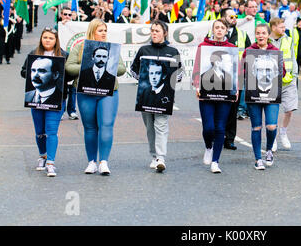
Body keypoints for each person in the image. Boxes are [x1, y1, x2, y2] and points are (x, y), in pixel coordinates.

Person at [66, 19, 126, 175]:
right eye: (100, 30)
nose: (104, 33)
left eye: (105, 30)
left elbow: (121, 69)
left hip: (107, 92)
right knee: (90, 127)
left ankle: (103, 162)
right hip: (86, 92)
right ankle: (91, 161)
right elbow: (69, 67)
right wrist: (86, 65)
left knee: (106, 124)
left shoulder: (111, 49)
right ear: (92, 31)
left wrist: (108, 66)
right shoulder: (80, 47)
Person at [131, 20, 183, 172]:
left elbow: (179, 72)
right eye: (152, 30)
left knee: (161, 125)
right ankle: (154, 155)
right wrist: (142, 80)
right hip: (145, 96)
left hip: (164, 97)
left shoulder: (173, 51)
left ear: (164, 33)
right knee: (150, 127)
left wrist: (174, 79)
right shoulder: (143, 50)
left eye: (157, 31)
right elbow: (134, 69)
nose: (154, 33)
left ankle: (161, 157)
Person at [20, 27, 73, 177]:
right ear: (41, 39)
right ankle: (42, 156)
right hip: (35, 101)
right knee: (39, 132)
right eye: (45, 37)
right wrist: (31, 74)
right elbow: (24, 71)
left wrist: (63, 75)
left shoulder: (64, 55)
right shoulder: (33, 53)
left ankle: (51, 162)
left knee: (51, 131)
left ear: (56, 40)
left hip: (57, 99)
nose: (47, 40)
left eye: (51, 38)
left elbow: (70, 76)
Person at [192, 19, 237, 173]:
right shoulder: (203, 47)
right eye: (216, 27)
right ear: (212, 30)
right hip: (206, 93)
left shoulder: (231, 48)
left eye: (222, 28)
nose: (219, 30)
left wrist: (236, 89)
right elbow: (197, 67)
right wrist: (197, 85)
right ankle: (208, 146)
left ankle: (215, 161)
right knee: (209, 127)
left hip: (225, 95)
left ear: (226, 31)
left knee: (220, 127)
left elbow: (235, 72)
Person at [242, 23, 285, 170]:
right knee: (256, 127)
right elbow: (242, 70)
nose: (261, 36)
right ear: (255, 35)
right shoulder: (249, 51)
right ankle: (257, 159)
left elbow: (283, 72)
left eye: (263, 33)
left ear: (268, 35)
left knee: (271, 126)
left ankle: (268, 151)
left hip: (272, 94)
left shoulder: (276, 51)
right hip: (254, 94)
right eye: (258, 33)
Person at [220, 8, 251, 150]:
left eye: (235, 16)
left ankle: (230, 138)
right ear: (223, 18)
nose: (234, 18)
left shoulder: (243, 35)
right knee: (219, 107)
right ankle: (218, 135)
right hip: (219, 77)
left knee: (233, 109)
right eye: (230, 16)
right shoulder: (216, 33)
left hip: (237, 77)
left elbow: (250, 54)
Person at [269, 17, 298, 151]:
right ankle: (273, 137)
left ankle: (283, 132)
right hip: (271, 82)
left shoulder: (288, 39)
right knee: (273, 112)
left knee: (289, 110)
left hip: (288, 80)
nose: (284, 29)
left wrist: (295, 76)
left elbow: (292, 57)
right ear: (274, 27)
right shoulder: (266, 40)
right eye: (281, 27)